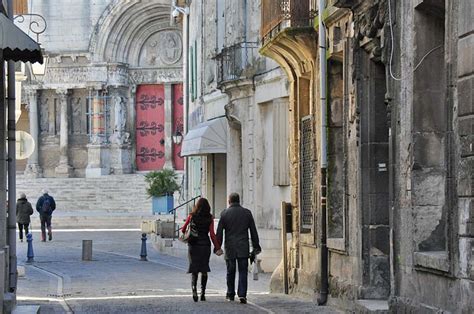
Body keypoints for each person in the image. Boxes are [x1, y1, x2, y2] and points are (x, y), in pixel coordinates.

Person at [216, 192, 261, 304]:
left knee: (230, 271)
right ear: (239, 200)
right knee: (243, 271)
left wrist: (217, 247)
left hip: (230, 247)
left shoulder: (224, 214)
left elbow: (219, 232)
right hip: (243, 247)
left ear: (229, 201)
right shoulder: (247, 213)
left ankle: (230, 294)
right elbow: (253, 231)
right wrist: (256, 246)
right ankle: (242, 295)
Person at [181, 198, 222, 302]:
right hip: (205, 246)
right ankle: (203, 293)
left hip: (193, 245)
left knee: (194, 269)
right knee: (204, 269)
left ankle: (194, 290)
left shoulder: (191, 216)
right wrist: (217, 247)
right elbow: (212, 234)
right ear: (208, 207)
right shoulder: (210, 218)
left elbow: (183, 229)